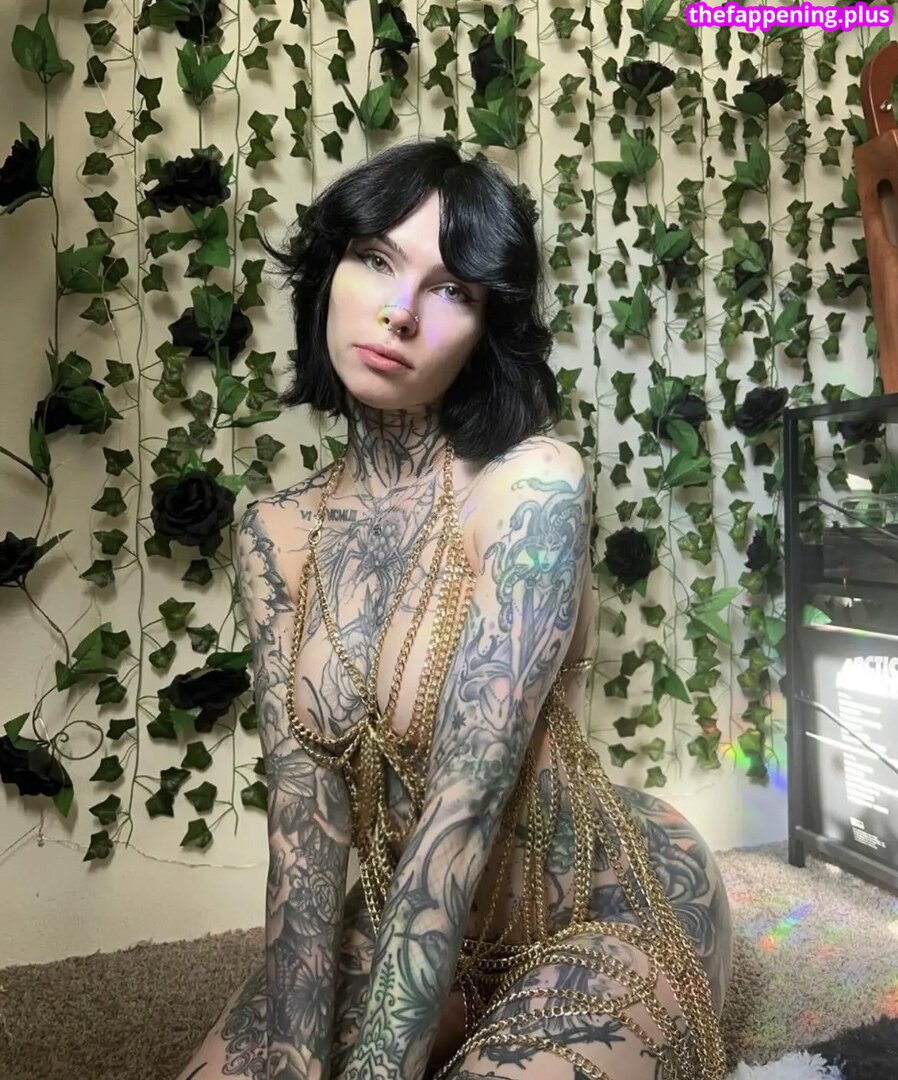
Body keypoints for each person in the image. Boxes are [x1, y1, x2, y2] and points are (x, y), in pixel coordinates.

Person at [174, 137, 733, 1080]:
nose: (399, 310)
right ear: (330, 273)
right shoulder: (275, 532)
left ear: (485, 328)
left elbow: (461, 817)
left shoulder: (529, 489)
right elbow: (303, 841)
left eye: (451, 290)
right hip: (399, 915)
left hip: (596, 910)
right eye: (375, 259)